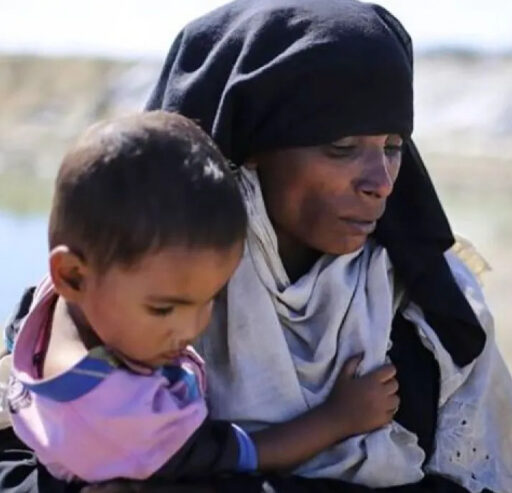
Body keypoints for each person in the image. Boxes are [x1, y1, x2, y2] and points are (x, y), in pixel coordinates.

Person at [0, 0, 512, 491]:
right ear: (255, 145)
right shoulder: (125, 284)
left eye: (394, 146)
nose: (380, 179)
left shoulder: (429, 316)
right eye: (341, 147)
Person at [6, 111, 403, 484]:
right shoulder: (120, 414)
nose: (193, 328)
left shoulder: (60, 301)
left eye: (211, 299)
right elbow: (242, 454)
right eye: (164, 308)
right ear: (71, 276)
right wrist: (338, 418)